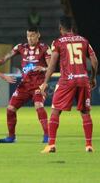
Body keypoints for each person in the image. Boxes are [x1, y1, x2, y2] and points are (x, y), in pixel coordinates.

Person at [40, 16, 98, 153]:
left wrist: (45, 82)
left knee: (55, 111)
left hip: (67, 80)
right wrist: (93, 77)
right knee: (85, 112)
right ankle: (89, 145)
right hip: (83, 79)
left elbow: (53, 64)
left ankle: (51, 145)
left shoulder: (58, 42)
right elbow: (94, 60)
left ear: (60, 28)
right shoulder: (83, 40)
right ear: (72, 28)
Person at [0, 27, 51, 143]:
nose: (30, 38)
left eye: (32, 35)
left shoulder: (44, 48)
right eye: (28, 36)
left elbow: (51, 67)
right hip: (24, 85)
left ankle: (47, 136)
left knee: (38, 106)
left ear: (38, 35)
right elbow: (6, 58)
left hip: (38, 84)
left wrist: (43, 68)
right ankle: (11, 137)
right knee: (10, 109)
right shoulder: (20, 47)